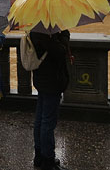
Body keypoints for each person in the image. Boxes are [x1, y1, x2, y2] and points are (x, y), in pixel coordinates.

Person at [30, 30, 71, 170]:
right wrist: (64, 34)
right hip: (51, 81)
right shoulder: (46, 34)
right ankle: (48, 160)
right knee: (48, 121)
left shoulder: (35, 29)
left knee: (40, 119)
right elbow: (59, 51)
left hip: (41, 79)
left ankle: (39, 156)